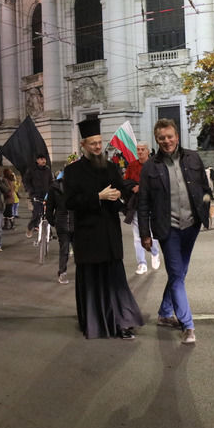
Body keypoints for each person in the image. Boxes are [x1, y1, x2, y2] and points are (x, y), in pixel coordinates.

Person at [63, 118, 143, 340]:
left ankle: (122, 322)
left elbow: (119, 194)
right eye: (93, 144)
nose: (98, 147)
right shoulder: (73, 171)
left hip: (109, 235)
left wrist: (119, 196)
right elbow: (69, 202)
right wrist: (97, 197)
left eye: (99, 143)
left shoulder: (110, 167)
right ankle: (95, 322)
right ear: (83, 145)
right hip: (88, 237)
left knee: (115, 281)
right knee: (93, 283)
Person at [138, 118, 211, 345]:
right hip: (167, 229)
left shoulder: (193, 158)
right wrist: (145, 234)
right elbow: (143, 203)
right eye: (162, 138)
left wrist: (209, 207)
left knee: (180, 272)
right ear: (157, 140)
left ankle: (164, 312)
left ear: (176, 136)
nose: (167, 141)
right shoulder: (150, 167)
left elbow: (205, 189)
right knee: (177, 275)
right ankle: (188, 325)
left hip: (191, 225)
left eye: (170, 137)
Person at [123, 141, 161, 275]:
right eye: (138, 149)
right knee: (137, 237)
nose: (140, 152)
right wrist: (130, 187)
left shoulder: (154, 165)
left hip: (152, 205)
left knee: (152, 233)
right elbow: (125, 182)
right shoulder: (132, 166)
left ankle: (155, 253)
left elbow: (159, 184)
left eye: (142, 149)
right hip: (136, 206)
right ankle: (142, 263)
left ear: (148, 151)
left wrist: (143, 187)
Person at [45, 164, 74, 284]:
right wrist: (53, 221)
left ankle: (84, 273)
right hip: (62, 223)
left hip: (76, 222)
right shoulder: (55, 187)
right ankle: (62, 272)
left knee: (81, 249)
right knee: (64, 249)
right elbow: (50, 206)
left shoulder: (78, 186)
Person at [24, 154, 54, 238]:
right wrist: (31, 190)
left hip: (46, 195)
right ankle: (30, 227)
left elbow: (51, 181)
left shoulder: (47, 170)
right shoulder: (31, 169)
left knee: (47, 213)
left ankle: (49, 232)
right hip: (36, 195)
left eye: (44, 159)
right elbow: (26, 181)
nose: (44, 160)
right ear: (37, 160)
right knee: (37, 212)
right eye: (41, 159)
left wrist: (51, 190)